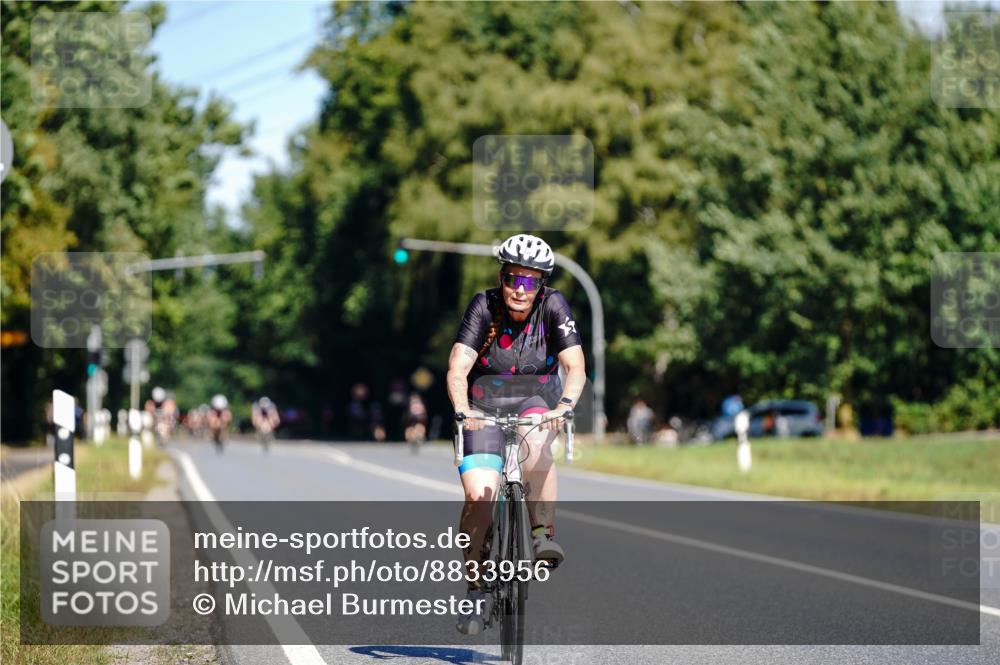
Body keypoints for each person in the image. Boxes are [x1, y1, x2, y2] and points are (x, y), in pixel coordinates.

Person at [446, 233, 586, 635]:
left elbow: (575, 367)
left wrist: (564, 407)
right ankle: (475, 589)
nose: (520, 290)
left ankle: (542, 532)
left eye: (530, 282)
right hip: (482, 408)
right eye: (512, 279)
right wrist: (462, 410)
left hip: (536, 401)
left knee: (537, 443)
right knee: (478, 495)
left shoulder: (553, 306)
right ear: (501, 277)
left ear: (541, 284)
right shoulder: (483, 306)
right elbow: (458, 368)